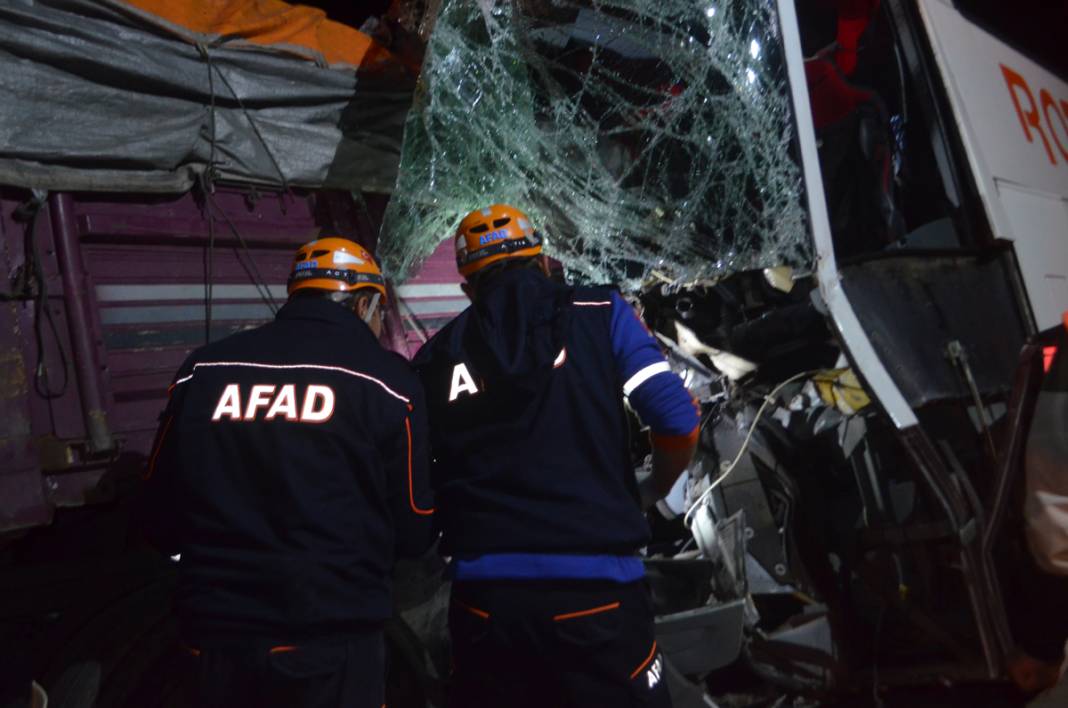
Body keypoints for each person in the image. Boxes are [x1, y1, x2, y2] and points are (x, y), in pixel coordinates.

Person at [413, 204, 699, 707]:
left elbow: (421, 477)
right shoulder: (598, 313)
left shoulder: (435, 358)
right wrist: (651, 490)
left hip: (486, 608)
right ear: (543, 262)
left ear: (468, 288)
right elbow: (677, 418)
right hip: (597, 599)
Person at [140, 238, 435, 708]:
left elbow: (158, 512)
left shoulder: (205, 369)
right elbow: (415, 524)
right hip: (329, 638)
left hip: (215, 637)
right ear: (364, 303)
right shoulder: (387, 383)